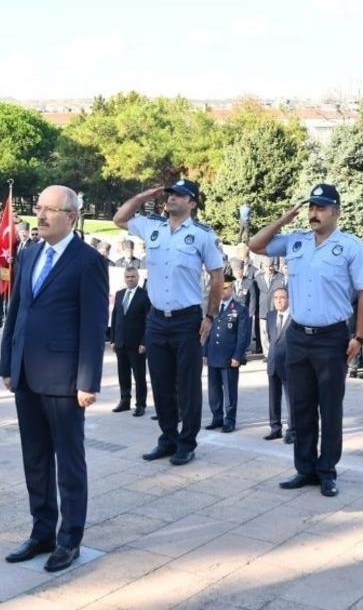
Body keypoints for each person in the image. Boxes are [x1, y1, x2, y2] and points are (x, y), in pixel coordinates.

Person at [0, 185, 108, 573]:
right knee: (36, 459)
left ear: (71, 217)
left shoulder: (87, 262)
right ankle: (41, 531)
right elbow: (17, 313)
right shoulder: (29, 254)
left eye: (50, 210)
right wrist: (7, 365)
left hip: (64, 382)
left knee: (69, 462)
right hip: (26, 375)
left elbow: (94, 327)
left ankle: (69, 539)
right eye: (39, 207)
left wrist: (87, 381)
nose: (40, 216)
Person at [248, 183, 363, 498]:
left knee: (329, 408)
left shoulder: (350, 246)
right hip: (298, 335)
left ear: (336, 212)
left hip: (331, 338)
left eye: (320, 208)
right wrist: (282, 220)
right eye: (311, 208)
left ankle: (327, 471)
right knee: (301, 406)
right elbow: (255, 244)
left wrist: (358, 336)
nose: (313, 213)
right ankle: (304, 469)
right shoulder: (296, 242)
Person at [114, 179, 224, 468]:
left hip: (187, 319)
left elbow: (216, 277)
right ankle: (168, 437)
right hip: (156, 318)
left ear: (192, 203)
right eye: (171, 194)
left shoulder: (202, 235)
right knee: (160, 382)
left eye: (180, 195)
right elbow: (119, 218)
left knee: (186, 385)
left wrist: (210, 316)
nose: (172, 198)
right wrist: (142, 195)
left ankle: (187, 442)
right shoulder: (153, 226)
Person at [204, 272, 251, 433]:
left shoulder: (239, 309)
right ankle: (217, 417)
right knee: (214, 390)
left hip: (229, 357)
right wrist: (204, 353)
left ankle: (229, 419)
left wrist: (237, 356)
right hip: (213, 354)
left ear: (231, 289)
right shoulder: (213, 308)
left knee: (230, 391)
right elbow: (207, 331)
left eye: (225, 289)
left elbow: (243, 336)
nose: (222, 292)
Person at [110, 267, 150, 416]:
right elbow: (115, 318)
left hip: (137, 345)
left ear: (138, 277)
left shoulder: (144, 296)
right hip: (120, 343)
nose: (130, 279)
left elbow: (148, 321)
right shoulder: (120, 294)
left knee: (139, 376)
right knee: (123, 374)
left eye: (133, 276)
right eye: (127, 277)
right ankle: (125, 401)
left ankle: (141, 404)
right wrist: (113, 339)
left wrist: (144, 342)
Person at [264, 287, 294, 443]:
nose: (279, 301)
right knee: (273, 399)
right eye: (276, 298)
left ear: (289, 299)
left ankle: (292, 430)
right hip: (274, 363)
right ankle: (275, 428)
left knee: (291, 400)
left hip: (290, 365)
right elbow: (271, 339)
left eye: (282, 297)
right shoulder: (270, 316)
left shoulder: (295, 316)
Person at [255, 260, 287, 358]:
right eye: (266, 266)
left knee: (275, 333)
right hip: (263, 309)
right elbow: (255, 294)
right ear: (263, 267)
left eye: (271, 266)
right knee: (264, 333)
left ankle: (277, 352)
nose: (269, 269)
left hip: (276, 309)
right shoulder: (258, 278)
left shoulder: (280, 277)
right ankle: (267, 354)